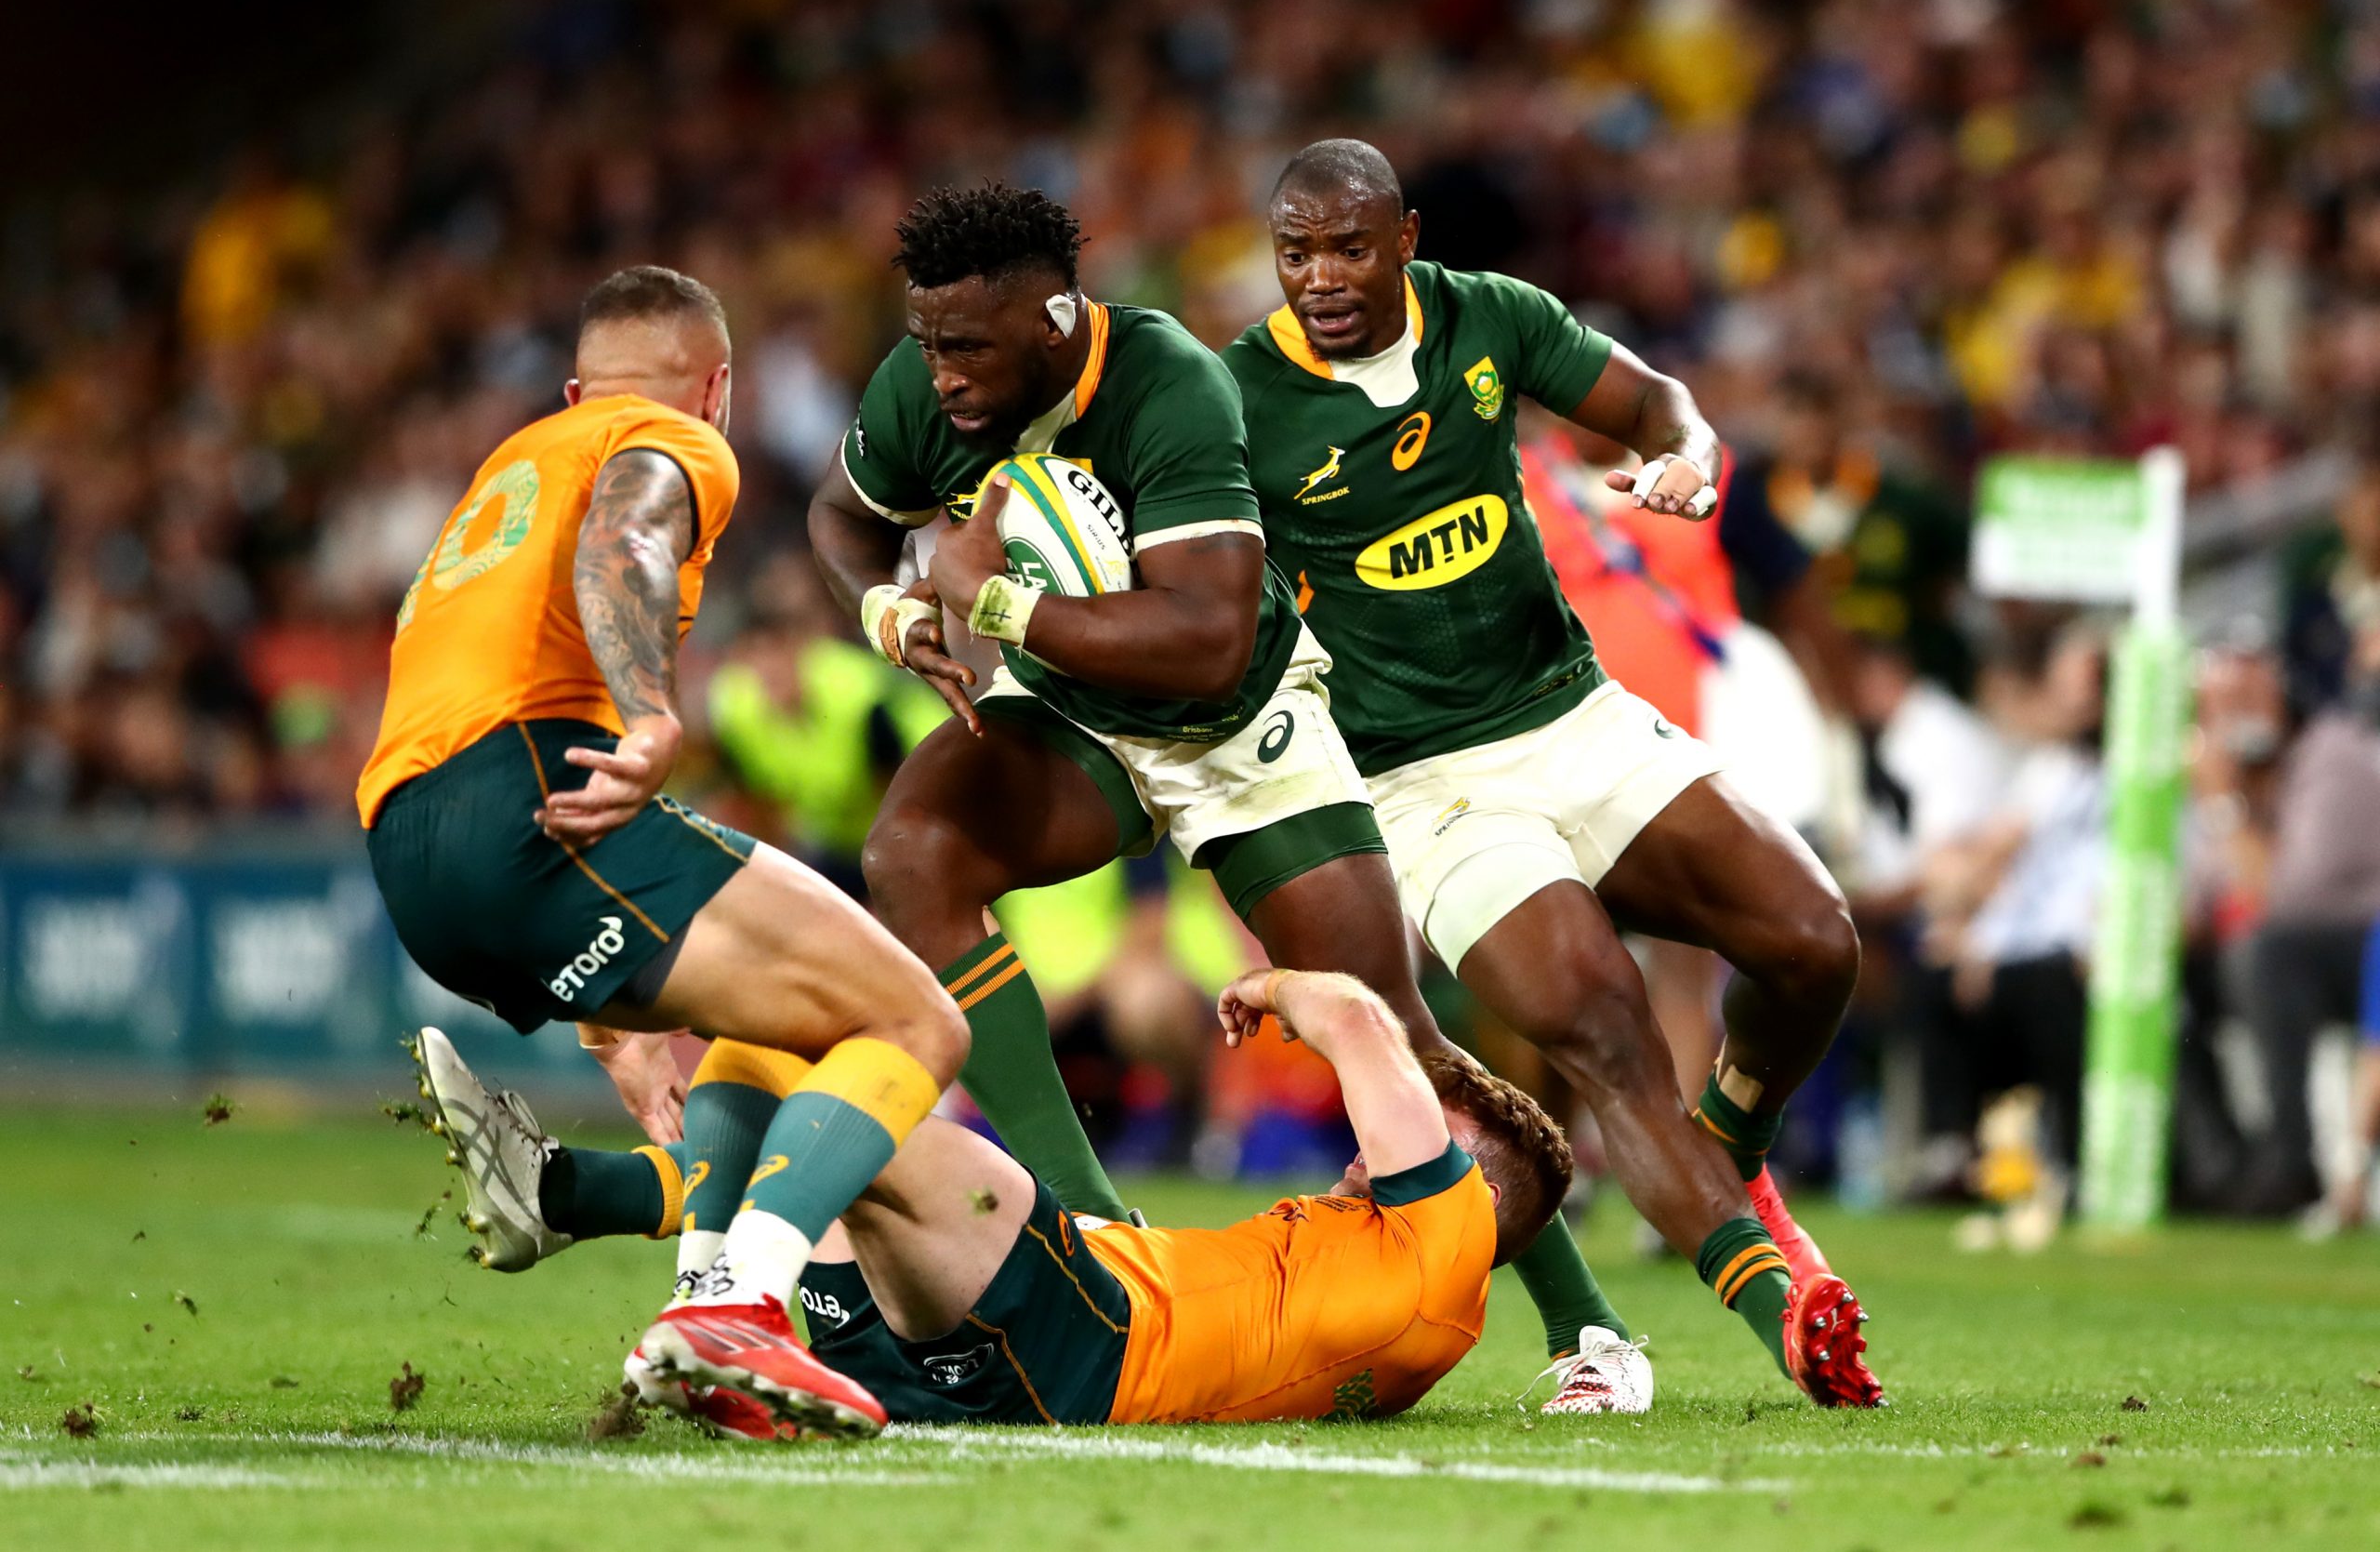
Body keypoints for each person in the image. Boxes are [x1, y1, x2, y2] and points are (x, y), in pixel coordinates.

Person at [800, 183, 1646, 1409]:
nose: (939, 374)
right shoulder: (923, 384)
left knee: (1386, 1023)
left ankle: (1590, 1326)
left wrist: (989, 602)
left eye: (966, 346)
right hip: (1077, 712)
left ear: (1055, 317)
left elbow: (1202, 639)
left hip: (1243, 717)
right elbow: (840, 515)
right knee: (914, 851)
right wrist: (887, 609)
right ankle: (1090, 1229)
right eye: (926, 341)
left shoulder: (1172, 386)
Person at [1223, 139, 1882, 1407]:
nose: (1321, 277)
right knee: (1598, 1020)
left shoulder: (1492, 318)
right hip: (1424, 786)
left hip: (1573, 715)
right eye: (1294, 252)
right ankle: (1781, 1295)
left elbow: (1656, 403)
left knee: (1817, 940)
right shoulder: (1239, 396)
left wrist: (1684, 455)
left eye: (1348, 246)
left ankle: (1733, 1145)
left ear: (1405, 238)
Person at [357, 266, 968, 1437]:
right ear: (720, 388)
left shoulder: (507, 473)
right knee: (916, 1024)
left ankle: (668, 1280)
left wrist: (610, 1024)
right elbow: (626, 535)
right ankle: (738, 1312)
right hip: (531, 793)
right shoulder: (671, 437)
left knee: (773, 1011)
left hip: (411, 848)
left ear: (575, 385)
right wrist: (649, 710)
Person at [413, 966, 1622, 1436]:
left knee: (859, 1032)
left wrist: (1271, 982)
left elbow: (1358, 1013)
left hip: (1084, 1332)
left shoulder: (1445, 1238)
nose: (1375, 1141)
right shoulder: (1411, 1298)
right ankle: (601, 1217)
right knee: (825, 1127)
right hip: (1026, 1344)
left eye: (1424, 1129)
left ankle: (633, 1206)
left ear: (1477, 1183)